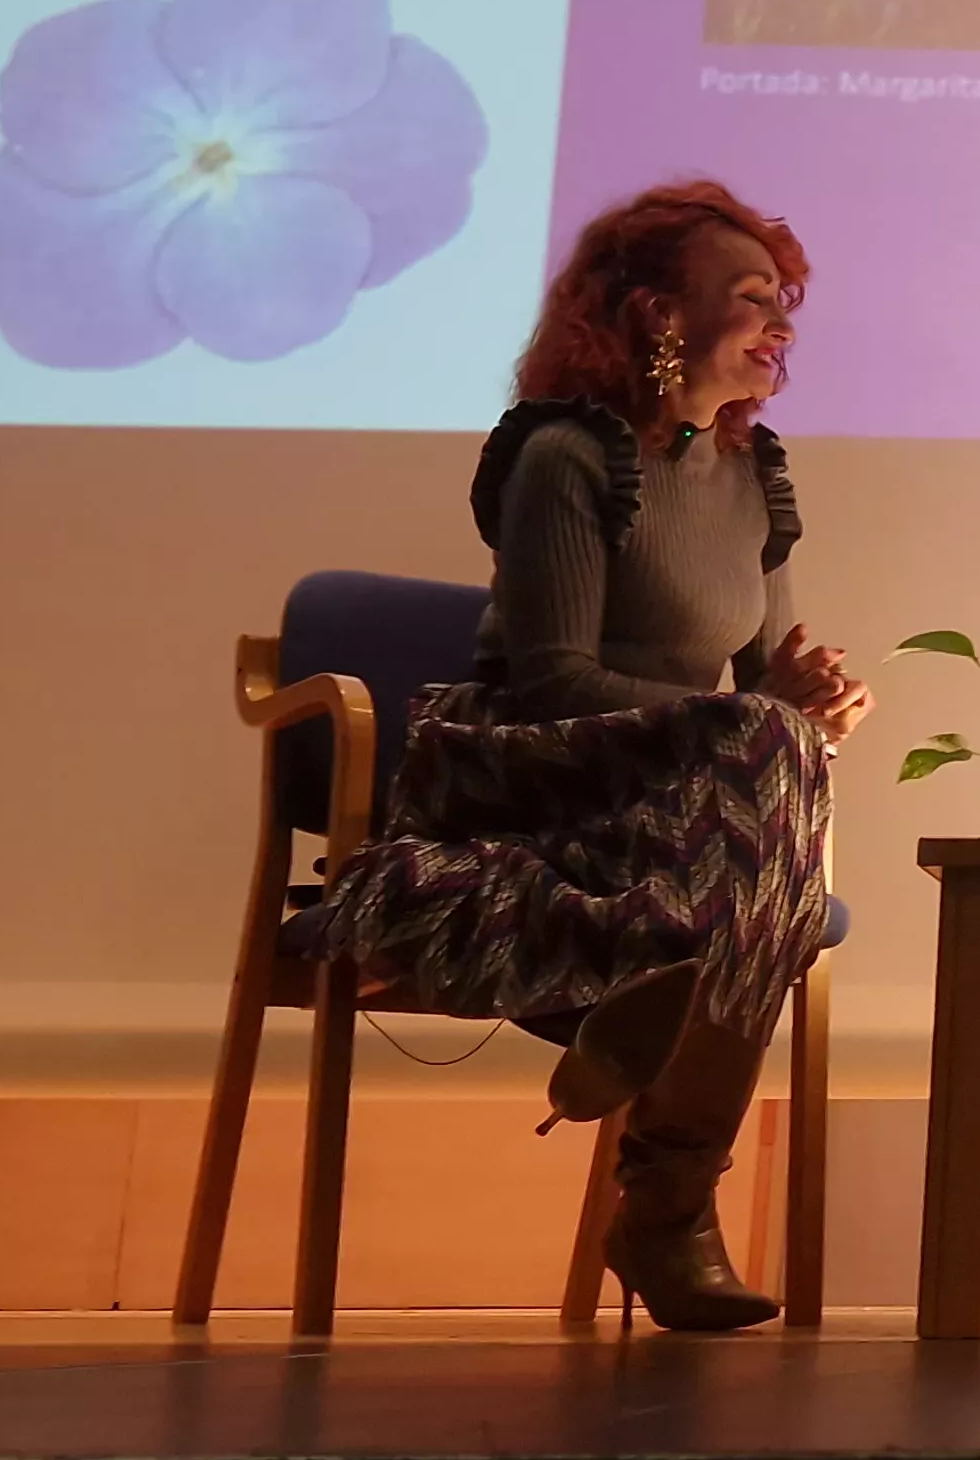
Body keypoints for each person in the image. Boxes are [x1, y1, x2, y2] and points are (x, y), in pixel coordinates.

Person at [303, 181, 872, 1331]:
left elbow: (759, 694)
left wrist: (807, 703)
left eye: (785, 303)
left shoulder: (755, 472)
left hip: (671, 799)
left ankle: (658, 1148)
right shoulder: (567, 454)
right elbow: (555, 678)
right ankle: (664, 1207)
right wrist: (753, 723)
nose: (781, 325)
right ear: (658, 313)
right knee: (762, 819)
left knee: (775, 754)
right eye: (752, 297)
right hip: (523, 777)